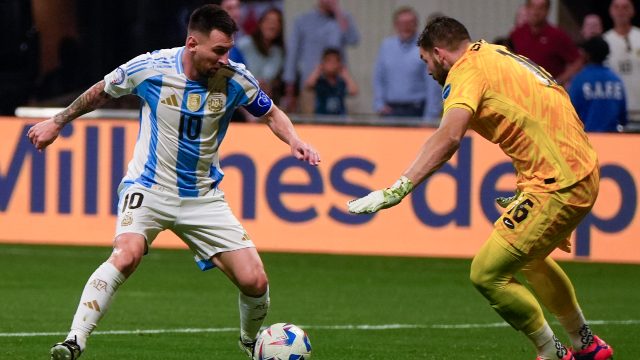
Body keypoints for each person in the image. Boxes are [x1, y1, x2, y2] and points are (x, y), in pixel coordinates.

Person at [27, 5, 320, 360]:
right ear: (192, 43)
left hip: (202, 197)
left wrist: (294, 140)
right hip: (148, 187)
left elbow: (270, 112)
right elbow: (102, 90)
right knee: (126, 254)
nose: (225, 58)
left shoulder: (235, 78)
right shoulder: (151, 68)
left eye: (228, 49)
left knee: (255, 281)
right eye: (219, 51)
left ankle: (249, 342)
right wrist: (58, 122)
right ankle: (75, 340)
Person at [348, 16, 613, 360]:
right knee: (528, 260)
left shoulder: (465, 73)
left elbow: (449, 136)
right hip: (576, 168)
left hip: (559, 182)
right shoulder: (494, 53)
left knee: (486, 274)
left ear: (440, 55)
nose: (427, 70)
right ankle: (586, 344)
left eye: (426, 61)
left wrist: (398, 188)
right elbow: (543, 105)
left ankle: (553, 352)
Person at [282, 0, 360, 114]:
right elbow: (292, 54)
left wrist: (339, 13)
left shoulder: (342, 18)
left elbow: (353, 39)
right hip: (311, 85)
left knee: (337, 124)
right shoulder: (303, 20)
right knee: (310, 124)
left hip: (336, 85)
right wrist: (289, 85)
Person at [373, 6, 442, 121]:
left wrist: (430, 117)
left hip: (417, 111)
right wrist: (379, 104)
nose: (406, 26)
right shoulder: (386, 46)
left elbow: (432, 84)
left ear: (416, 24)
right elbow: (379, 77)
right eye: (402, 23)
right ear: (396, 25)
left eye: (410, 23)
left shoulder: (425, 46)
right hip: (390, 111)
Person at [510, 0, 583, 86]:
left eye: (540, 8)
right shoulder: (517, 34)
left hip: (548, 93)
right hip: (523, 90)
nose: (536, 12)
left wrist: (559, 80)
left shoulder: (557, 35)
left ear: (547, 10)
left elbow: (578, 61)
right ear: (527, 9)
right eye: (532, 7)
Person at [569, 36, 627, 132]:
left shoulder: (579, 80)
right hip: (613, 140)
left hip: (588, 139)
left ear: (587, 55)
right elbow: (623, 118)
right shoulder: (616, 80)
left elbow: (570, 112)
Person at [237, 7, 285, 103]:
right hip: (240, 96)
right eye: (269, 20)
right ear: (260, 23)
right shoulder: (244, 44)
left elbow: (272, 79)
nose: (272, 25)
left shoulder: (278, 52)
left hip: (263, 99)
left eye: (276, 22)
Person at [603, 0, 640, 122]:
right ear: (611, 11)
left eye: (625, 7)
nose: (621, 12)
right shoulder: (604, 42)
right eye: (617, 7)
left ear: (632, 11)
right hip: (615, 113)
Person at [304, 48, 358, 115]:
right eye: (329, 61)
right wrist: (318, 70)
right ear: (323, 63)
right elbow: (308, 85)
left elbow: (354, 91)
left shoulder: (341, 82)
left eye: (335, 62)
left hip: (340, 119)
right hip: (321, 119)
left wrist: (345, 74)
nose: (332, 65)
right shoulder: (320, 81)